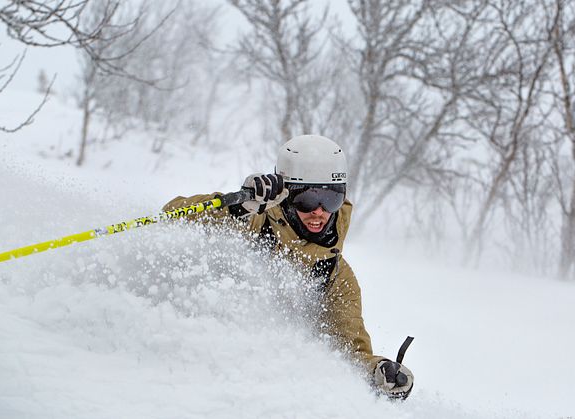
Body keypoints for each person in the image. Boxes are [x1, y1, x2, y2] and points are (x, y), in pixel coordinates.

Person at [162, 134, 414, 400]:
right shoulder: (254, 224)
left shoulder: (335, 275)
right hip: (195, 369)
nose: (318, 211)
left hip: (269, 392)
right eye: (307, 200)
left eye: (330, 200)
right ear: (286, 196)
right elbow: (171, 217)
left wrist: (377, 370)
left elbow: (351, 350)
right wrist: (236, 207)